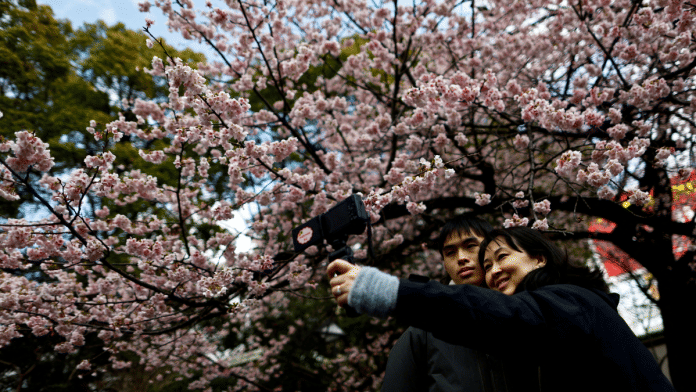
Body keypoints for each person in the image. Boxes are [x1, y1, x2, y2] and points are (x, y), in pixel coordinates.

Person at [328, 227, 676, 392]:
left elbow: (512, 319)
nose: (492, 270)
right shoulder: (422, 337)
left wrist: (387, 291)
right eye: (488, 263)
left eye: (501, 258)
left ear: (539, 257)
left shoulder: (571, 301)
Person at [382, 217, 536, 392]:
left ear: (490, 248)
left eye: (470, 246)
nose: (461, 258)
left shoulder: (527, 314)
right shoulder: (423, 332)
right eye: (450, 253)